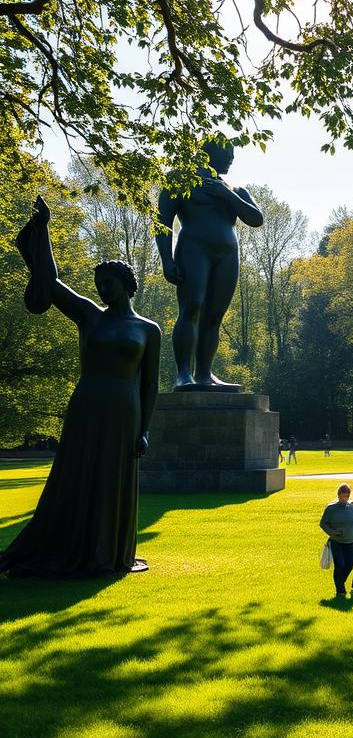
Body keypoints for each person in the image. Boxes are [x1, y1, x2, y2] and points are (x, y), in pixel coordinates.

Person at [0, 197, 161, 577]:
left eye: (109, 284)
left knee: (113, 477)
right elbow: (52, 283)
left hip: (125, 407)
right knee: (77, 473)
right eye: (99, 284)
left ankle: (109, 551)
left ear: (126, 285)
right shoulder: (89, 315)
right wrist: (44, 232)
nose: (103, 290)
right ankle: (71, 547)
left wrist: (145, 430)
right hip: (88, 401)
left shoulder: (147, 329)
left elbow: (150, 382)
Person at [157, 139, 264, 390]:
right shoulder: (180, 181)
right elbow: (162, 222)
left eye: (233, 154)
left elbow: (256, 218)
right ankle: (184, 374)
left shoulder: (234, 187)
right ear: (208, 153)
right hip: (194, 249)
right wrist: (167, 260)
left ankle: (204, 373)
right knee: (192, 307)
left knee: (214, 316)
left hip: (227, 254)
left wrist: (226, 194)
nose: (231, 159)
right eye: (226, 153)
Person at [319, 484, 353, 596]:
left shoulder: (352, 508)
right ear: (339, 495)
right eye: (344, 496)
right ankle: (340, 589)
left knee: (350, 565)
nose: (345, 498)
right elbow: (323, 523)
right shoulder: (331, 508)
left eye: (347, 496)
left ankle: (340, 582)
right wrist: (331, 532)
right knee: (340, 564)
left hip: (350, 541)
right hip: (337, 542)